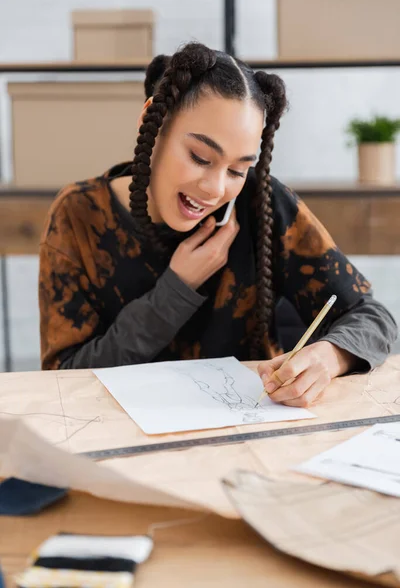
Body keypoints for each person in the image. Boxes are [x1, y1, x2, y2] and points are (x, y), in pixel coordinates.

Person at [38, 42, 397, 408]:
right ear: (152, 120)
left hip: (245, 443)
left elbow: (374, 318)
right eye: (200, 157)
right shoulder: (78, 215)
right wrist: (174, 293)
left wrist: (329, 356)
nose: (215, 188)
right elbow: (62, 381)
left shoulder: (262, 203)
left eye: (238, 169)